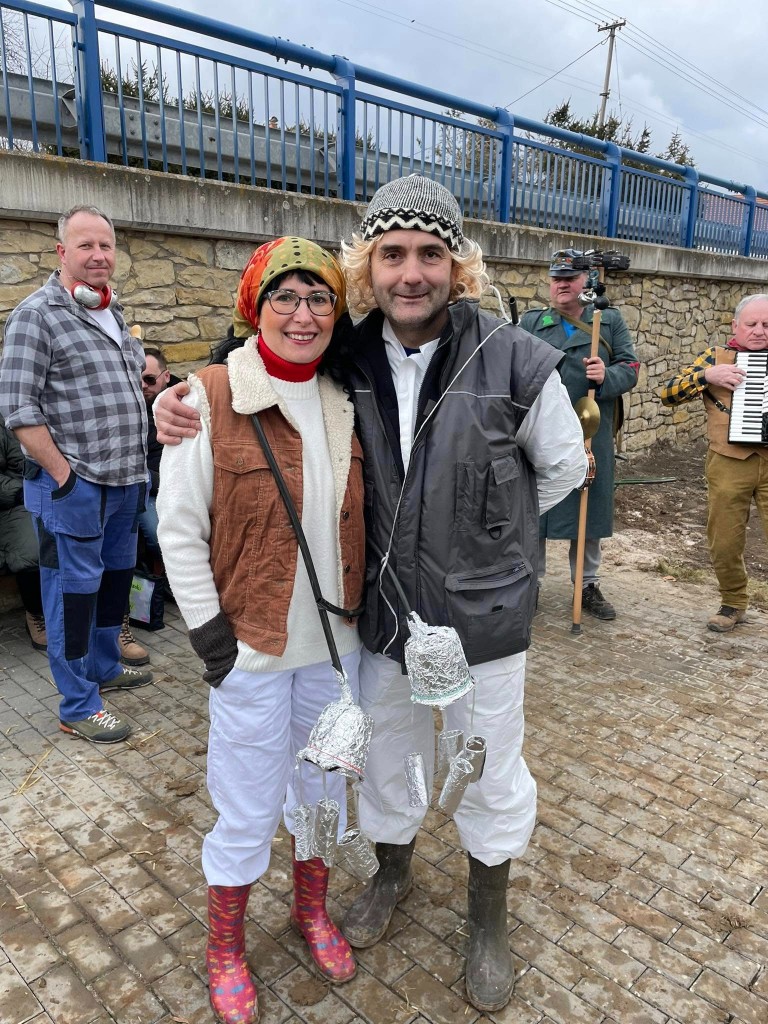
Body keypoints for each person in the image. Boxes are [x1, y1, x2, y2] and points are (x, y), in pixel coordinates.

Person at [153, 177, 586, 1014]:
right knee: (385, 758)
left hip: (484, 623)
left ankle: (487, 919)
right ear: (369, 267)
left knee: (486, 765)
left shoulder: (515, 358)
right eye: (392, 254)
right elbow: (258, 359)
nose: (411, 273)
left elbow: (563, 469)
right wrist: (175, 397)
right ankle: (391, 874)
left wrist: (482, 538)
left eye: (430, 253)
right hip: (379, 621)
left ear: (458, 265)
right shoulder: (347, 354)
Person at [155, 238, 366, 1024]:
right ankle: (224, 948)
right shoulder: (209, 396)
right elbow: (178, 528)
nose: (303, 315)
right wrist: (213, 641)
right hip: (251, 649)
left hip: (336, 652)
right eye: (285, 296)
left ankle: (311, 911)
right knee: (245, 806)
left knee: (322, 794)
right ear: (255, 305)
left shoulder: (347, 396)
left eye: (319, 298)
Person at [0, 205, 153, 744]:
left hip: (124, 480)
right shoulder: (36, 315)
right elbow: (18, 409)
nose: (98, 255)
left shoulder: (112, 309)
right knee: (73, 594)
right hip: (75, 488)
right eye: (85, 245)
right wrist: (65, 478)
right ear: (61, 251)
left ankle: (105, 666)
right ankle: (78, 704)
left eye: (106, 245)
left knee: (113, 581)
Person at [520, 249, 639, 620]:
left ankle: (586, 584)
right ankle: (529, 582)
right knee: (535, 507)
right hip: (543, 430)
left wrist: (607, 376)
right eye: (556, 279)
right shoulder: (532, 322)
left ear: (585, 281)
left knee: (589, 508)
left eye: (569, 279)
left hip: (590, 428)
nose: (561, 285)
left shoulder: (607, 320)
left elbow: (631, 367)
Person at [660, 293, 768, 632]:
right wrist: (707, 376)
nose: (759, 331)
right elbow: (668, 394)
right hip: (728, 461)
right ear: (735, 325)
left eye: (767, 324)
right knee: (724, 540)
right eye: (751, 324)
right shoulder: (715, 357)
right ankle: (733, 602)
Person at [0, 416, 47, 652]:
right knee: (32, 549)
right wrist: (19, 491)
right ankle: (36, 614)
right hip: (16, 498)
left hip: (42, 490)